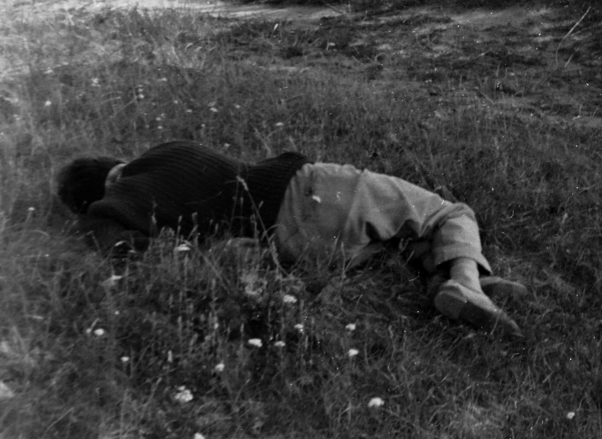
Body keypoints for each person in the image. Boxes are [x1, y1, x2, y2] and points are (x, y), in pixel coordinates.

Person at [55, 140, 526, 336]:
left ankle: (446, 281)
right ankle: (465, 279)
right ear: (110, 169)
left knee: (398, 237)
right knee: (446, 211)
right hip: (307, 191)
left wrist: (175, 252)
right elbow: (102, 229)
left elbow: (111, 241)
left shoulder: (136, 197)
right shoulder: (151, 163)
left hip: (291, 248)